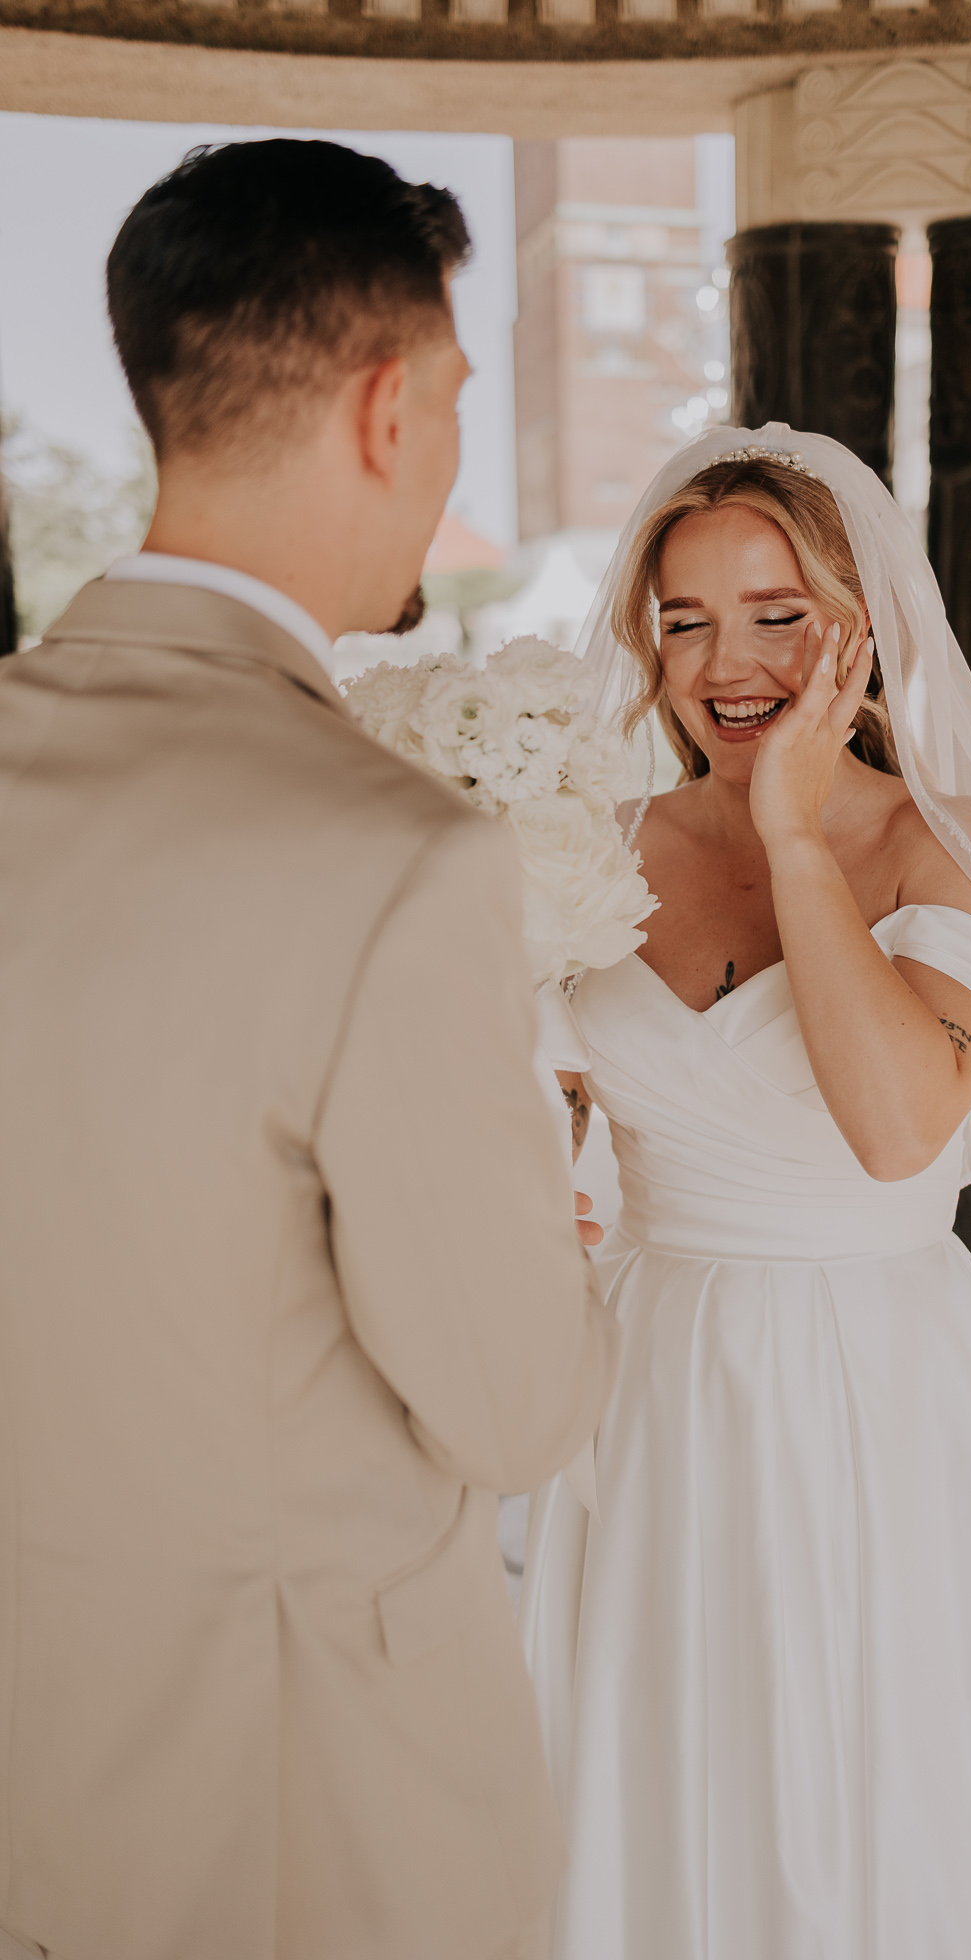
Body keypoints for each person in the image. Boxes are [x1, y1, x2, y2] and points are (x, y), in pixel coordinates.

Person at [0, 140, 616, 1960]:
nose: (448, 464)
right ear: (384, 405)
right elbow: (515, 1409)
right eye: (455, 404)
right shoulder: (393, 860)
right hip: (300, 1806)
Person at [520, 426, 971, 1960]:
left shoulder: (955, 844)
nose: (725, 661)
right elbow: (548, 1111)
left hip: (874, 1379)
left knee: (874, 1759)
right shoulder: (590, 850)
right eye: (683, 619)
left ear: (861, 628)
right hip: (658, 1370)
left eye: (775, 613)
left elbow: (899, 1129)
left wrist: (794, 836)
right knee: (667, 1738)